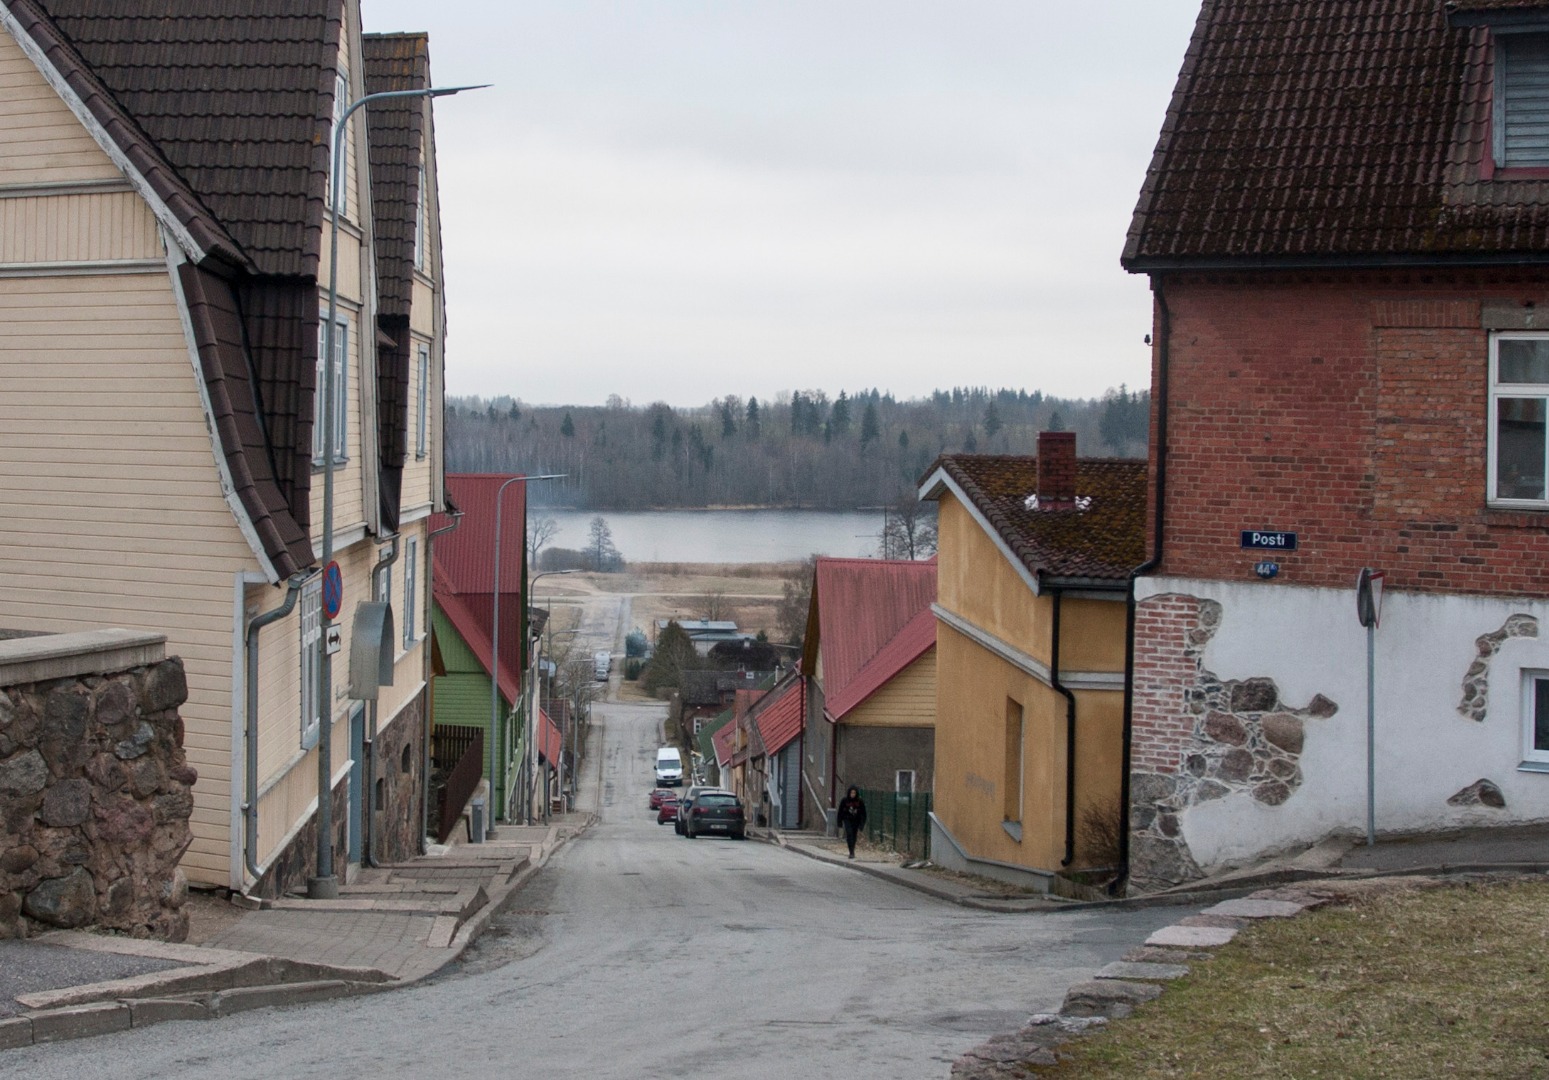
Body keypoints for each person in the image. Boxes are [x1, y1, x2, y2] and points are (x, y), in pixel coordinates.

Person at [836, 786, 867, 859]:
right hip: (847, 819)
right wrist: (839, 822)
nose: (852, 794)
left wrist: (861, 825)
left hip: (856, 820)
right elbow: (840, 812)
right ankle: (851, 852)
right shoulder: (845, 801)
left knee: (854, 836)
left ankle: (852, 849)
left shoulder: (860, 801)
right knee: (849, 834)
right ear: (849, 793)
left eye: (854, 793)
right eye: (851, 793)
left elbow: (864, 814)